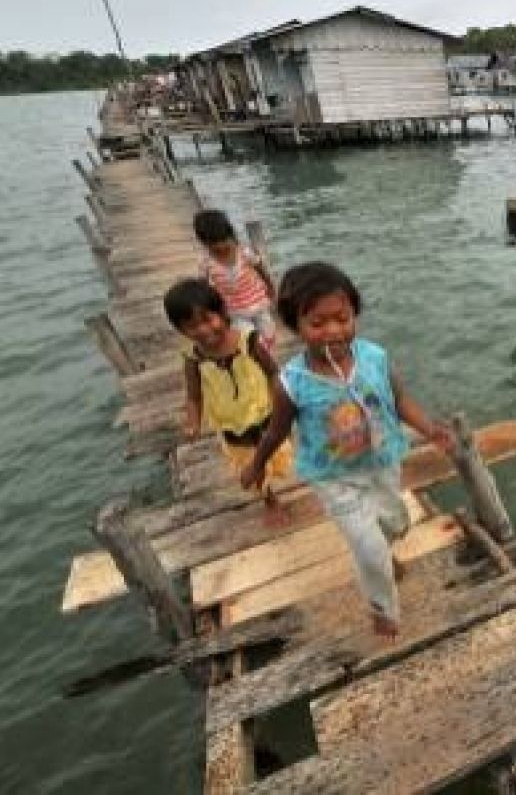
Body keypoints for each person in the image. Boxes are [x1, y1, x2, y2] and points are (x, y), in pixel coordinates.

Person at [240, 262, 452, 638]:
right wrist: (257, 465)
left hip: (381, 463)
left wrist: (430, 429)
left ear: (354, 313)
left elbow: (399, 399)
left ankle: (384, 557)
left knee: (394, 524)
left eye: (342, 318)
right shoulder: (292, 383)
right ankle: (382, 609)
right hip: (334, 478)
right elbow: (276, 431)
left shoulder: (375, 357)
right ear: (296, 327)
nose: (333, 330)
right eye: (317, 324)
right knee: (367, 547)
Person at [163, 278, 293, 527]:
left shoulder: (248, 341)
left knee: (277, 453)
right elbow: (193, 394)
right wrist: (193, 421)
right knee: (250, 466)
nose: (203, 330)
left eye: (207, 319)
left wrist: (283, 400)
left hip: (264, 412)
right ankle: (270, 501)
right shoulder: (193, 356)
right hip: (231, 424)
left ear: (223, 313)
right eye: (191, 326)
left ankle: (272, 475)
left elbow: (273, 372)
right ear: (181, 331)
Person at [193, 209, 278, 352]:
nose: (221, 247)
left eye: (224, 241)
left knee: (268, 332)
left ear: (230, 235)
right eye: (214, 244)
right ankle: (259, 360)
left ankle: (265, 355)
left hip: (257, 302)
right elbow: (204, 286)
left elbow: (260, 268)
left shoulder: (244, 251)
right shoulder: (206, 262)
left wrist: (270, 287)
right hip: (233, 310)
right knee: (249, 338)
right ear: (204, 242)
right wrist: (211, 309)